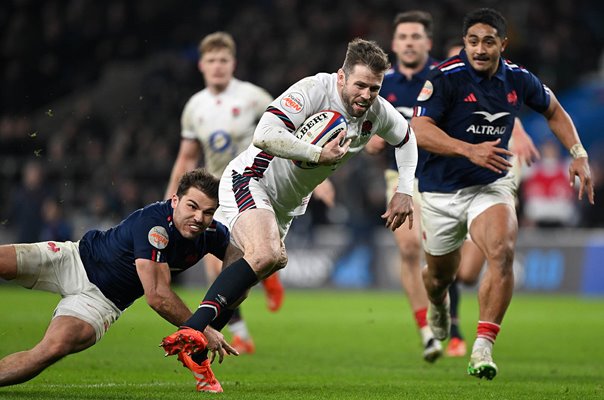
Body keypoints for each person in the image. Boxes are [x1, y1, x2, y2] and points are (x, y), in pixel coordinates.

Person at [160, 38, 418, 391]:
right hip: (250, 179)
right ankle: (193, 329)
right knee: (269, 255)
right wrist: (316, 154)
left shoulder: (376, 112)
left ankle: (200, 350)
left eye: (374, 87)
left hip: (286, 205)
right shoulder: (313, 90)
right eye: (359, 84)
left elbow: (406, 139)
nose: (366, 94)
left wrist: (405, 188)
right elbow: (264, 134)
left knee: (243, 283)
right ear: (342, 77)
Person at [411, 8, 594, 380]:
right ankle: (438, 307)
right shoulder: (445, 78)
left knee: (502, 251)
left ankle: (483, 345)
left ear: (502, 44)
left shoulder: (518, 79)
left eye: (488, 41)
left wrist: (579, 155)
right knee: (439, 277)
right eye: (473, 41)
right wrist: (468, 149)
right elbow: (419, 128)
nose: (480, 48)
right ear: (465, 43)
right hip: (441, 190)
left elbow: (554, 110)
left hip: (491, 182)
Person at [0, 169, 237, 392]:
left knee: (53, 348)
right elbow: (157, 296)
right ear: (175, 200)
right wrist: (202, 329)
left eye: (208, 212)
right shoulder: (154, 224)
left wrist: (263, 258)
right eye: (192, 206)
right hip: (74, 259)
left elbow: (240, 269)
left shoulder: (213, 234)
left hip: (102, 303)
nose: (199, 217)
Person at [164, 31, 282, 354]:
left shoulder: (254, 97)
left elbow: (284, 131)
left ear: (234, 63)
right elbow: (187, 157)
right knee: (218, 265)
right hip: (214, 194)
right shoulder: (195, 107)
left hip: (251, 186)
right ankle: (242, 330)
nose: (218, 67)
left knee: (227, 263)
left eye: (224, 60)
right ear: (201, 65)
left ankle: (263, 272)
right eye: (212, 61)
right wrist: (170, 199)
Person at [366, 10, 442, 363]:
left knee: (448, 261)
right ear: (394, 44)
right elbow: (362, 131)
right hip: (402, 179)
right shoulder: (381, 84)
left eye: (416, 37)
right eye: (404, 37)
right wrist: (371, 142)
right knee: (410, 249)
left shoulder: (444, 78)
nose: (410, 43)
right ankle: (427, 331)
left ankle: (445, 312)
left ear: (427, 42)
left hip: (446, 179)